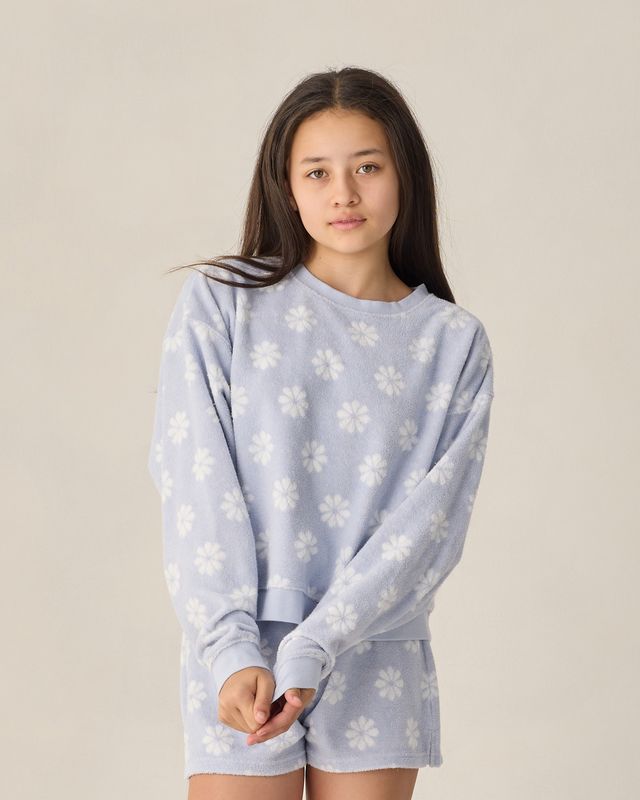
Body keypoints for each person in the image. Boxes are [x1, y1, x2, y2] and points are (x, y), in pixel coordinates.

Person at [147, 65, 495, 800]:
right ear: (286, 185)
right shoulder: (223, 305)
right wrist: (231, 647)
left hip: (376, 643)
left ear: (405, 174)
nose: (343, 193)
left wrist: (318, 644)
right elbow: (195, 483)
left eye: (367, 167)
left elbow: (431, 528)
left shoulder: (452, 342)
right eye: (317, 172)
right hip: (241, 649)